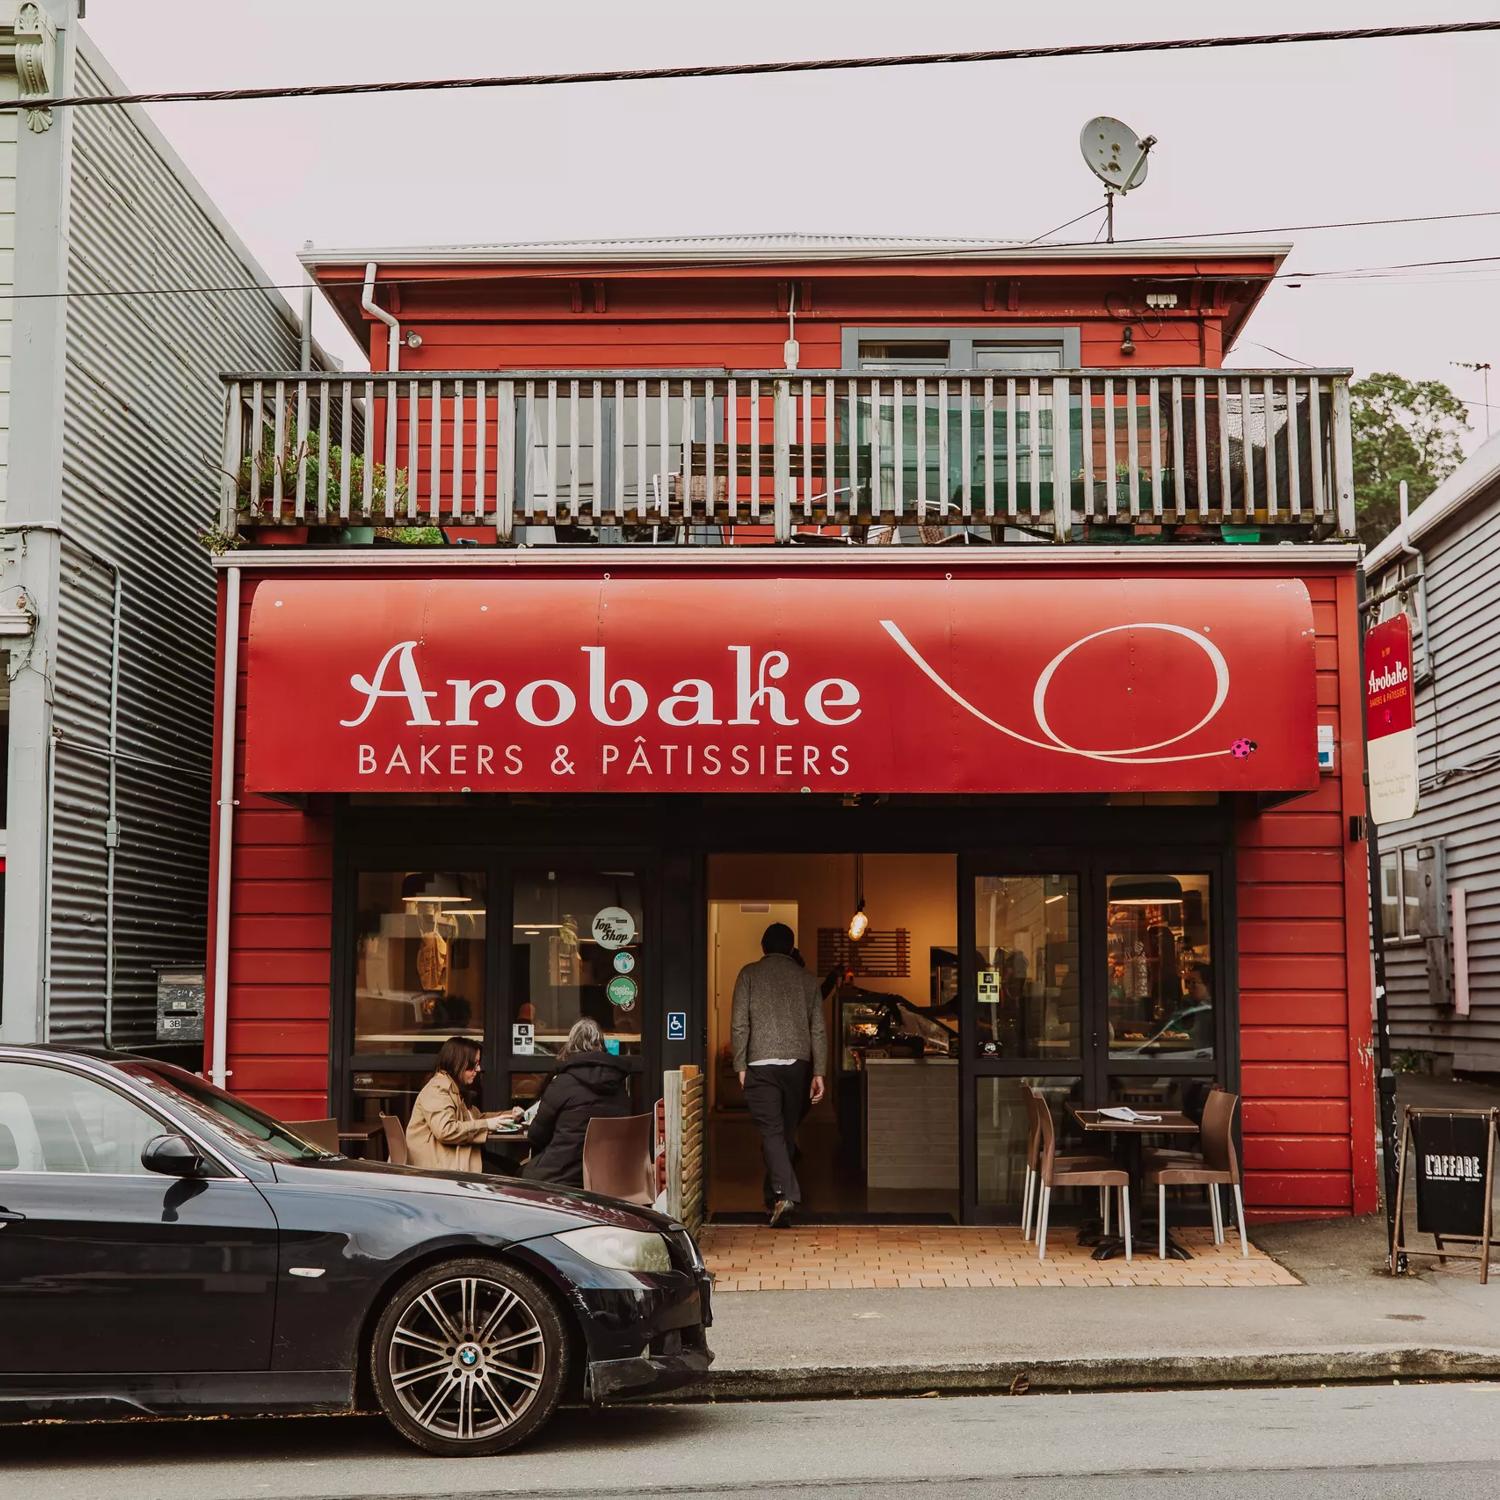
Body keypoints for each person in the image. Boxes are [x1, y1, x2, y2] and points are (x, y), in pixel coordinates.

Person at [731, 921, 827, 1228]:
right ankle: (773, 1197)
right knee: (784, 1132)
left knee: (773, 1133)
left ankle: (786, 1195)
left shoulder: (749, 974)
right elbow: (818, 1030)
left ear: (763, 947)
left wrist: (740, 1064)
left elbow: (739, 1024)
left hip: (760, 1064)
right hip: (798, 1065)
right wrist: (820, 1071)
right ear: (790, 948)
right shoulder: (807, 980)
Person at [522, 1018, 633, 1186]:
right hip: (606, 1178)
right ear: (601, 1044)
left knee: (517, 1174)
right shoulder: (618, 1086)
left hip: (560, 1177)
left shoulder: (562, 1083)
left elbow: (536, 1136)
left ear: (571, 1045)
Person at [405, 1036, 518, 1173]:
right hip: (440, 1165)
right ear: (457, 1063)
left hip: (453, 1155)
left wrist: (510, 1115)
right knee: (508, 1175)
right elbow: (446, 1131)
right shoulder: (438, 1090)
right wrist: (488, 1124)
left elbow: (477, 1118)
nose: (478, 1069)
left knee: (512, 1168)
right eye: (473, 1064)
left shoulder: (453, 1088)